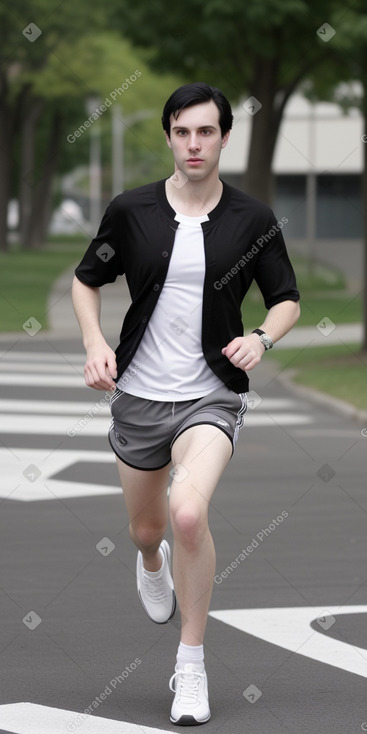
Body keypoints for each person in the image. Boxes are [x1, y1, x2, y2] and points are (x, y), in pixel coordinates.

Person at [72, 81, 300, 726]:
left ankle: (191, 667)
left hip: (211, 395)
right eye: (182, 131)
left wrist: (261, 337)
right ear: (169, 136)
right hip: (139, 396)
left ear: (225, 137)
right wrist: (94, 345)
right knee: (150, 530)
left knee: (190, 512)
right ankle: (151, 560)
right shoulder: (132, 210)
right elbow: (87, 281)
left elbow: (286, 298)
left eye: (206, 131)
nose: (194, 143)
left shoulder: (252, 221)